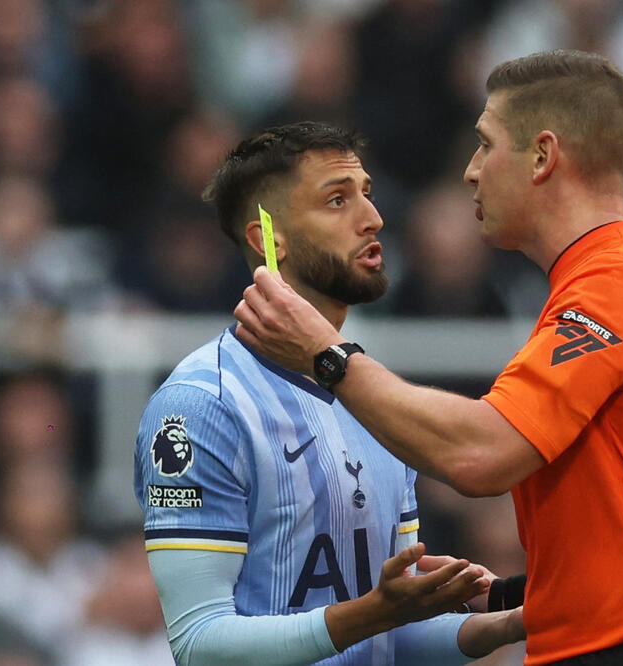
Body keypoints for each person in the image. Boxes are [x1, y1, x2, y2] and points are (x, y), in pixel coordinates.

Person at [233, 50, 623, 665]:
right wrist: (506, 596)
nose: (471, 171)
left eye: (485, 144)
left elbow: (482, 455)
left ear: (542, 156)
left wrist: (327, 355)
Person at [133, 122, 524, 665]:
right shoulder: (202, 406)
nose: (373, 218)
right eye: (338, 200)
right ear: (268, 239)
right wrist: (373, 613)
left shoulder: (376, 400)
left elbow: (386, 639)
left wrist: (505, 624)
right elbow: (200, 644)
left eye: (367, 193)